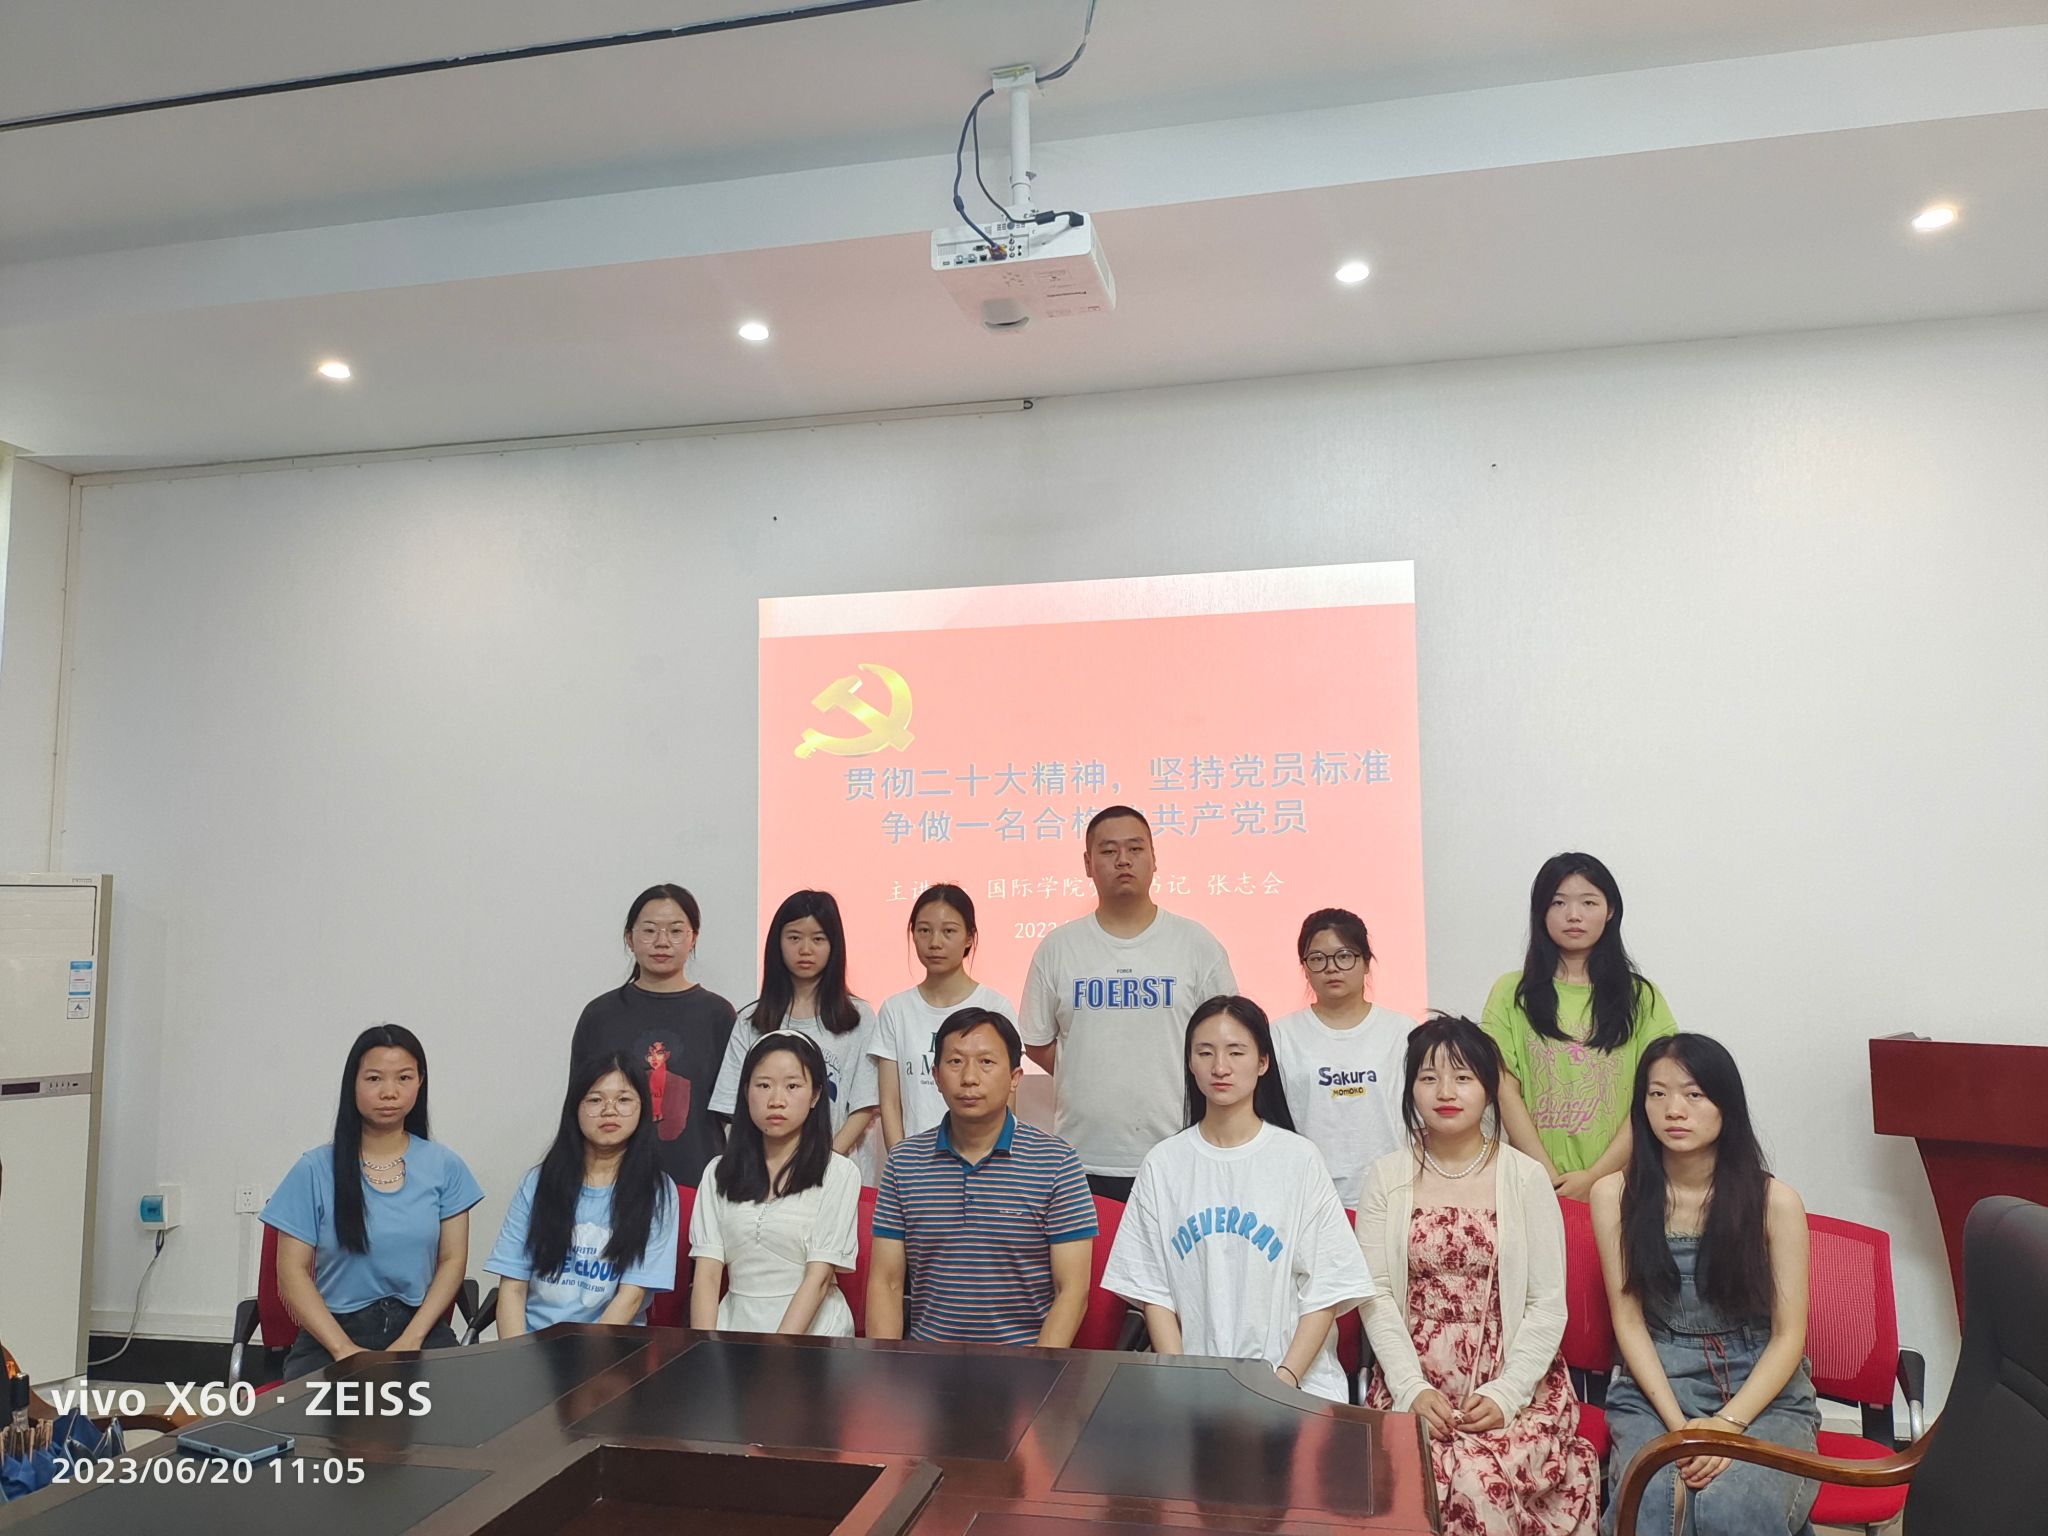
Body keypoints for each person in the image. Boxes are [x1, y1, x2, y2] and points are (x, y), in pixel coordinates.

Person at [1357, 1017, 1598, 1536]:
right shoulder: (1386, 1176)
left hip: (1517, 1379)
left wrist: (1508, 1393)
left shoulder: (1525, 1177)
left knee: (1473, 1479)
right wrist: (1409, 1387)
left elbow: (1547, 1303)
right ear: (1410, 1088)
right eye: (1429, 1078)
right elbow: (1375, 1294)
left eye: (1463, 1077)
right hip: (1412, 1378)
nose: (1445, 1092)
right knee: (1427, 1477)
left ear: (1489, 1088)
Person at [1592, 1034, 1820, 1536]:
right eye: (1657, 1094)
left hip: (1760, 1389)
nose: (1674, 1110)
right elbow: (1628, 1322)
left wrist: (1726, 1426)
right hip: (1657, 1385)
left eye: (1693, 1094)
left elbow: (1789, 1336)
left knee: (1730, 1506)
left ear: (1725, 1105)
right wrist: (1682, 1432)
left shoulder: (1775, 1203)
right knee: (1655, 1500)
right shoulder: (1613, 1195)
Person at [1103, 995, 1371, 1402]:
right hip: (1195, 1391)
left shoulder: (1298, 1159)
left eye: (1236, 1051)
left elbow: (1326, 1290)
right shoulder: (1164, 1163)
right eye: (1205, 1053)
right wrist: (1181, 1378)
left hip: (1295, 1387)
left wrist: (1283, 1383)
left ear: (1262, 1062)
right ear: (1190, 1063)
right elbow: (1153, 1292)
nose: (1220, 1067)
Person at [1019, 806, 1236, 1200]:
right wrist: (1085, 1068)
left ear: (1154, 858)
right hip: (1082, 1157)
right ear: (1088, 864)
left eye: (1135, 849)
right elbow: (1036, 1040)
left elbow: (1229, 1038)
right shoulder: (1059, 948)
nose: (1122, 860)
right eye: (1108, 851)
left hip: (1179, 1151)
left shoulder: (1196, 945)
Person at [262, 1025, 483, 1379]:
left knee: (456, 1406)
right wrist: (344, 1350)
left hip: (418, 1328)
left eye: (404, 1078)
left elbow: (452, 1260)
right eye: (374, 1078)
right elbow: (291, 1272)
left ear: (420, 1083)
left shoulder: (445, 1166)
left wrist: (411, 1340)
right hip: (332, 1333)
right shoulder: (314, 1169)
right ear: (353, 1084)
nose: (389, 1092)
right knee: (324, 1412)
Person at [868, 1007, 1096, 1346]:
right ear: (936, 1075)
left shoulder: (1057, 1162)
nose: (969, 1078)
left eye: (986, 1062)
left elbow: (1072, 1292)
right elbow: (886, 1283)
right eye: (955, 1062)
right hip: (926, 1363)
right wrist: (885, 1366)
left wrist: (1039, 1369)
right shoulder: (904, 1162)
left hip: (1023, 1363)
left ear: (1015, 1077)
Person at [1482, 853, 1677, 1201]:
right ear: (1541, 911)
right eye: (1558, 902)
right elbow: (1503, 1087)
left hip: (1623, 1186)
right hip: (1531, 1184)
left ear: (1610, 910)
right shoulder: (1510, 992)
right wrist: (1544, 1175)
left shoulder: (1641, 997)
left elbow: (1655, 1092)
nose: (1573, 915)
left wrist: (1596, 1178)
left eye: (1589, 902)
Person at [484, 1053, 679, 1333]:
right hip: (534, 1343)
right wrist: (515, 1354)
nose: (609, 1110)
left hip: (610, 1346)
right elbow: (513, 1287)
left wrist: (585, 1359)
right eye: (595, 1100)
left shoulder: (657, 1191)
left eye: (623, 1100)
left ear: (642, 1109)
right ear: (575, 1108)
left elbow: (631, 1296)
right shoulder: (537, 1182)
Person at [691, 1031, 862, 1336]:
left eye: (792, 1086)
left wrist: (775, 1352)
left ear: (815, 1095)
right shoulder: (718, 1172)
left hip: (815, 1336)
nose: (776, 1100)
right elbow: (707, 1274)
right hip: (733, 1331)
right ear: (746, 1091)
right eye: (764, 1085)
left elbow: (819, 1279)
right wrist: (704, 1347)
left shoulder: (839, 1172)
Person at [568, 884, 737, 1189]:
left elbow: (733, 1111)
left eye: (675, 931)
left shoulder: (718, 1015)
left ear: (693, 938)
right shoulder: (600, 1015)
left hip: (697, 1183)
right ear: (629, 938)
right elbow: (580, 1106)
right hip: (613, 1185)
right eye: (649, 931)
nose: (662, 942)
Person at [710, 890, 882, 1179]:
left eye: (818, 939)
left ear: (834, 945)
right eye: (794, 937)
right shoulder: (751, 1020)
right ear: (777, 943)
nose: (805, 949)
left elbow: (864, 1105)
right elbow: (732, 1107)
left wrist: (825, 1162)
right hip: (764, 1175)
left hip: (837, 1172)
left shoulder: (859, 1017)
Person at [1271, 907, 1419, 1209]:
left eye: (1344, 956)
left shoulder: (1402, 1031)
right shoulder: (1280, 1035)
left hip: (1392, 1193)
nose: (1332, 968)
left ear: (1366, 962)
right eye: (1317, 959)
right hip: (1308, 1197)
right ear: (1305, 968)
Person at [872, 884, 1015, 1150]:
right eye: (924, 930)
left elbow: (1006, 1096)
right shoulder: (895, 1009)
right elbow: (890, 1103)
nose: (935, 943)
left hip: (983, 1159)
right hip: (917, 1161)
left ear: (969, 937)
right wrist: (900, 1163)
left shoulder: (995, 1006)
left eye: (948, 931)